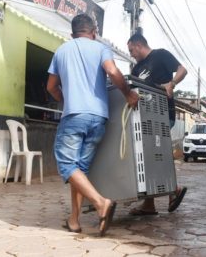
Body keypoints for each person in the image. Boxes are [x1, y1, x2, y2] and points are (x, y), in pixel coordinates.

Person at [47, 14, 139, 236]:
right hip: (99, 118)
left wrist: (65, 98)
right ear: (93, 32)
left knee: (67, 165)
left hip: (74, 116)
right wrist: (127, 93)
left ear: (73, 33)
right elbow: (112, 71)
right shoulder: (100, 49)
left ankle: (101, 203)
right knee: (80, 169)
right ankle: (74, 220)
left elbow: (51, 87)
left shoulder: (61, 50)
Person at [127, 33, 188, 215]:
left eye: (131, 50)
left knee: (157, 154)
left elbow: (182, 70)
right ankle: (149, 204)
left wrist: (172, 83)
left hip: (162, 114)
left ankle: (173, 190)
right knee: (147, 156)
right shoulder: (137, 68)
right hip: (143, 116)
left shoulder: (161, 55)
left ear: (139, 45)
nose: (131, 54)